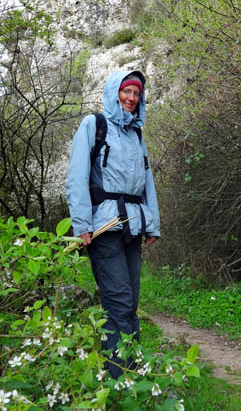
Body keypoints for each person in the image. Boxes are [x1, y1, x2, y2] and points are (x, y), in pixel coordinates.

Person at [65, 70, 160, 378]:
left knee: (130, 302)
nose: (131, 98)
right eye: (126, 91)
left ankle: (133, 371)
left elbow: (147, 180)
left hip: (132, 225)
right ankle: (119, 377)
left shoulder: (137, 135)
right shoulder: (94, 125)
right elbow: (76, 176)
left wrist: (152, 225)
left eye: (136, 94)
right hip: (104, 228)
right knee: (118, 301)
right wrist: (81, 224)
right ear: (114, 92)